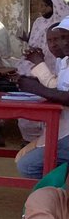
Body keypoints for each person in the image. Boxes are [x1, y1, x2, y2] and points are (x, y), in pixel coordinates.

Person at [13, 20, 69, 178]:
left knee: (27, 166)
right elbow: (57, 88)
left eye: (65, 37)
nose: (62, 43)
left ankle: (56, 191)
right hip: (63, 130)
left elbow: (65, 96)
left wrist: (34, 87)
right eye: (60, 38)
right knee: (23, 157)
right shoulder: (64, 62)